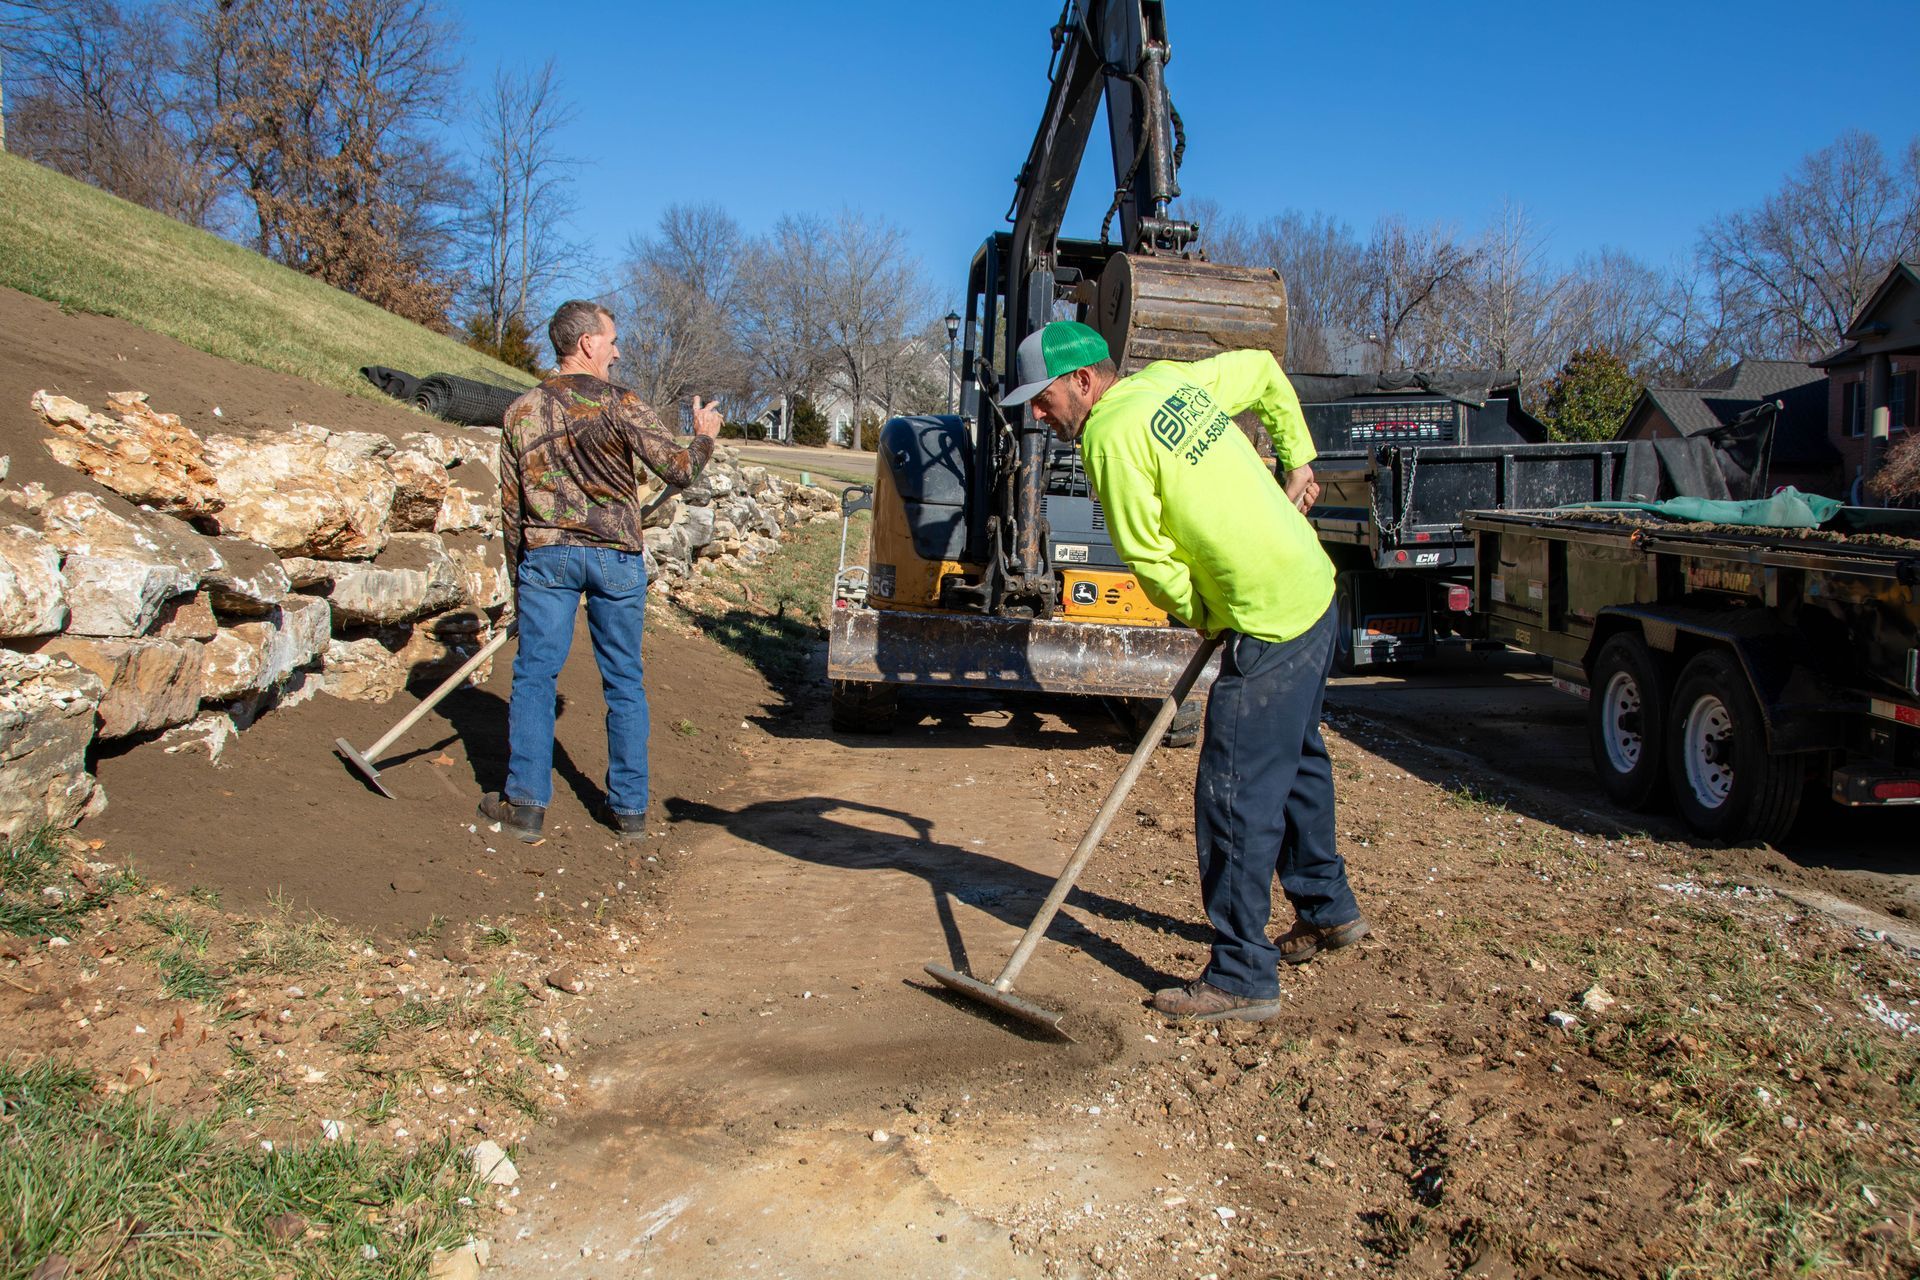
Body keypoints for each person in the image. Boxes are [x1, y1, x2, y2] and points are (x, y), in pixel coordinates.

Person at [1001, 320, 1368, 1022]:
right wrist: (1298, 462)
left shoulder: (1108, 438)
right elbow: (1262, 368)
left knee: (1234, 794)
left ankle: (1242, 975)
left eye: (1044, 401)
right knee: (1295, 760)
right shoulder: (1169, 380)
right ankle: (1328, 910)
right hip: (1313, 589)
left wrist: (1199, 610)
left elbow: (1151, 560)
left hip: (1267, 614)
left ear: (1084, 380)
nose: (1039, 418)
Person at [481, 299, 721, 843]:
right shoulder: (621, 404)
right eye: (611, 339)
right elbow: (680, 470)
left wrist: (522, 586)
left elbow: (510, 507)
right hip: (615, 556)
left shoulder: (520, 411)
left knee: (534, 676)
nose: (617, 349)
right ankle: (630, 813)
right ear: (587, 343)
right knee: (624, 681)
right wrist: (704, 433)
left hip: (547, 557)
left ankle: (525, 806)